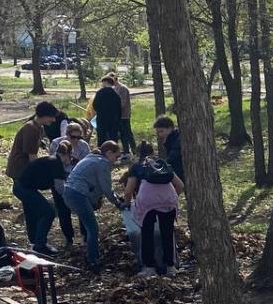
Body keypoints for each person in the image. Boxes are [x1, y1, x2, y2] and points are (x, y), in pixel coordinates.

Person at [125, 141, 184, 277]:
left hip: (147, 202)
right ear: (153, 152)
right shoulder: (162, 164)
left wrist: (127, 204)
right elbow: (180, 185)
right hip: (168, 200)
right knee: (167, 233)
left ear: (137, 153)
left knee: (147, 234)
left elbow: (128, 191)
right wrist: (171, 198)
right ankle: (170, 266)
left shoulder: (137, 167)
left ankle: (149, 267)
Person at [63, 141, 123, 270]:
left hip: (70, 192)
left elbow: (95, 185)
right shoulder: (103, 163)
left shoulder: (92, 158)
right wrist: (117, 202)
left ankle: (91, 254)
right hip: (77, 194)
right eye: (116, 157)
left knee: (89, 226)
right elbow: (106, 187)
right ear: (108, 153)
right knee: (93, 228)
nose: (116, 161)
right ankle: (93, 260)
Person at [14, 142, 71, 255]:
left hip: (20, 186)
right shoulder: (56, 163)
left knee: (32, 213)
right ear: (67, 154)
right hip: (25, 189)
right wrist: (70, 198)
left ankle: (34, 243)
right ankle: (40, 244)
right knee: (48, 213)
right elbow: (60, 188)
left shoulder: (51, 160)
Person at [50, 123, 91, 247]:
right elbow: (55, 163)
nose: (76, 140)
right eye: (73, 137)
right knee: (63, 210)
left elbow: (86, 165)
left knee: (82, 208)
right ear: (66, 135)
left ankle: (85, 236)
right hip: (59, 178)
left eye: (79, 138)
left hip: (77, 180)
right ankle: (69, 238)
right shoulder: (56, 144)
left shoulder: (83, 146)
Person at [7, 101, 56, 183]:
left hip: (24, 168)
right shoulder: (31, 129)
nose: (54, 120)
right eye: (51, 116)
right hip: (20, 170)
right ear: (44, 115)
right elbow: (32, 158)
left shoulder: (39, 128)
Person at [91, 75, 123, 148]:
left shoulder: (100, 93)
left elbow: (95, 105)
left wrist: (100, 111)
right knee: (113, 138)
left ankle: (101, 153)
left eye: (103, 82)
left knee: (101, 138)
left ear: (105, 82)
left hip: (101, 119)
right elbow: (119, 109)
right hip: (113, 120)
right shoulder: (115, 94)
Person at [111, 72, 135, 158]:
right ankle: (126, 151)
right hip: (118, 116)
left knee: (127, 133)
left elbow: (123, 103)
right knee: (122, 134)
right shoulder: (114, 89)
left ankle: (134, 150)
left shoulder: (122, 89)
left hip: (124, 115)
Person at [153, 115, 184, 182]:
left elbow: (172, 157)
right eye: (158, 132)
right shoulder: (170, 139)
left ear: (170, 128)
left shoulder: (177, 140)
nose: (160, 134)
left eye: (161, 131)